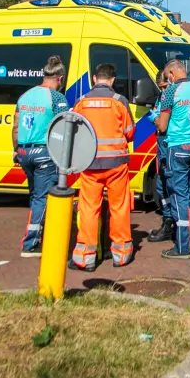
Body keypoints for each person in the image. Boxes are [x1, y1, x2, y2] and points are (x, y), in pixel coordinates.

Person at [71, 63, 136, 270]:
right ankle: (121, 254)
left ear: (93, 78)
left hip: (90, 164)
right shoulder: (119, 102)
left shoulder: (81, 102)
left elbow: (74, 131)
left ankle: (85, 257)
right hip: (116, 165)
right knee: (119, 207)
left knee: (89, 208)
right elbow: (130, 133)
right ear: (113, 79)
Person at [12, 56, 70, 258]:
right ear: (60, 78)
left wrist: (16, 150)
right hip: (44, 153)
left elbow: (16, 127)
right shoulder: (57, 98)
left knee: (34, 196)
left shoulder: (25, 96)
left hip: (24, 152)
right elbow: (64, 127)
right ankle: (31, 243)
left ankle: (36, 232)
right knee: (41, 198)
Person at [156, 59, 190, 260]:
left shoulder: (170, 92)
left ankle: (182, 246)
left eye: (168, 75)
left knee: (179, 195)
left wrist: (155, 118)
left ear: (171, 73)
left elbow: (162, 127)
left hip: (177, 147)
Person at [145, 66, 177, 244]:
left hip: (172, 144)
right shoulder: (161, 98)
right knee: (161, 185)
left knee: (174, 186)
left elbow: (163, 123)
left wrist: (156, 119)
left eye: (165, 86)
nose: (163, 91)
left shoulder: (176, 96)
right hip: (162, 145)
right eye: (160, 88)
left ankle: (176, 225)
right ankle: (167, 222)